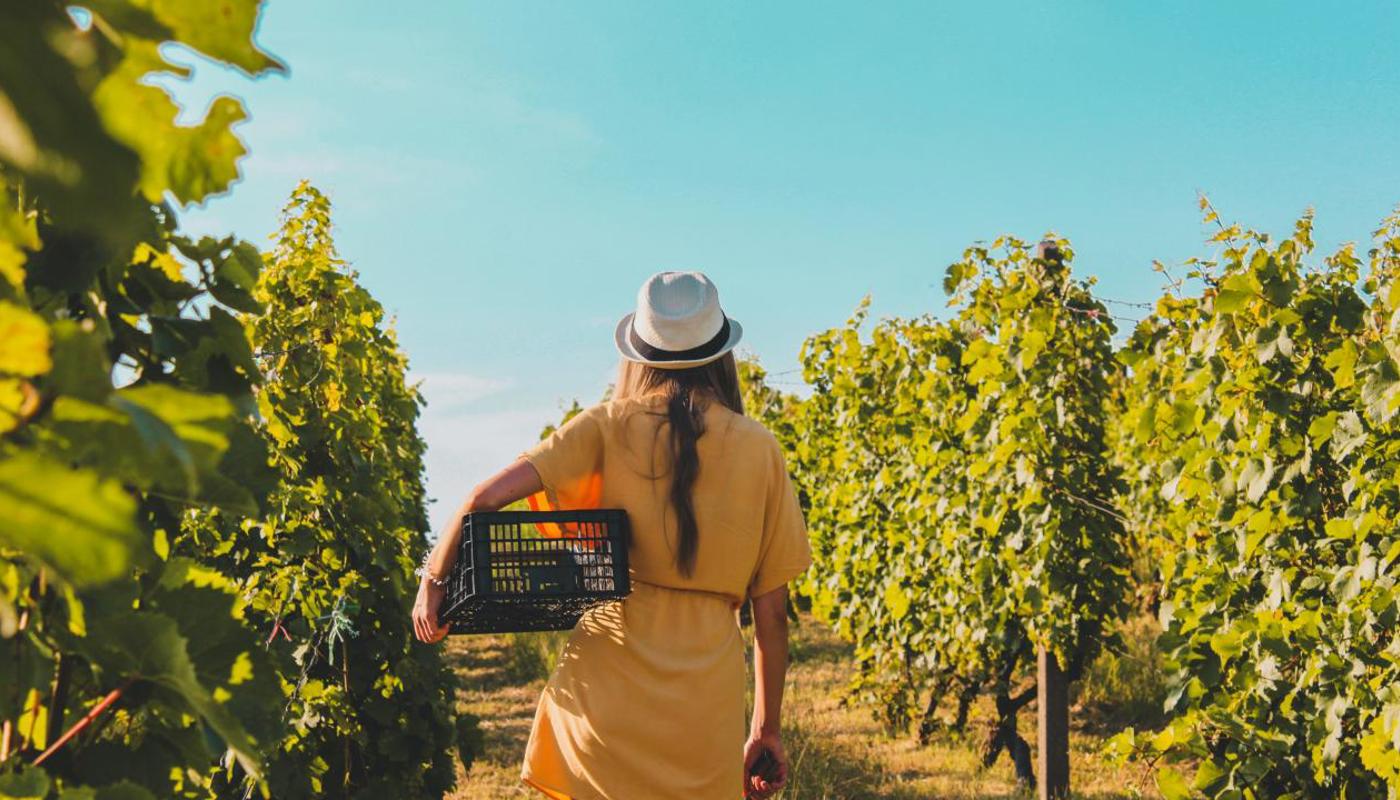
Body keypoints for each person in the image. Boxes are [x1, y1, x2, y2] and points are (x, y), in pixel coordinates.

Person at [412, 271, 812, 800]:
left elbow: (480, 499)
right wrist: (765, 730)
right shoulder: (760, 449)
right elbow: (772, 616)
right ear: (720, 354)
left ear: (640, 354)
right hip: (703, 706)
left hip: (605, 691)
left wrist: (434, 580)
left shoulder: (605, 424)